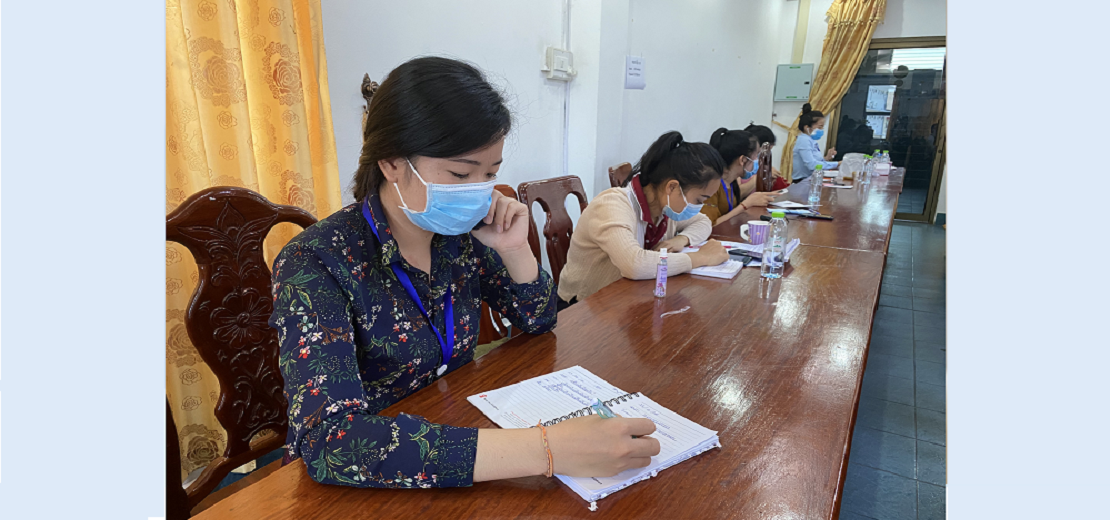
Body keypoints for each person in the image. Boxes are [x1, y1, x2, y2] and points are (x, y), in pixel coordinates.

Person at [269, 57, 660, 489]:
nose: (479, 189)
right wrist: (546, 449)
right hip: (367, 479)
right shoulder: (317, 260)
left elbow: (541, 320)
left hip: (456, 425)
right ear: (391, 163)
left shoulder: (459, 233)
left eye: (490, 173)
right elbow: (329, 442)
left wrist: (516, 251)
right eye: (460, 173)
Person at [557, 131, 730, 307]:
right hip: (584, 308)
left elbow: (703, 222)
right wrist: (701, 258)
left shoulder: (665, 209)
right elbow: (634, 264)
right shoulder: (612, 204)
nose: (697, 207)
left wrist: (682, 239)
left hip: (629, 301)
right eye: (699, 200)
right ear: (672, 187)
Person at [701, 128, 780, 225]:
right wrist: (745, 205)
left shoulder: (731, 182)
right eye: (756, 155)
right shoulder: (711, 185)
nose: (757, 160)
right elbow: (710, 226)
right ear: (742, 160)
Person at [791, 103, 838, 183]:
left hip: (810, 180)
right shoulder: (804, 140)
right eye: (820, 127)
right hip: (802, 182)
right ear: (807, 127)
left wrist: (826, 158)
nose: (821, 130)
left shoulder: (810, 140)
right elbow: (812, 165)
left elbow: (814, 160)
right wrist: (837, 164)